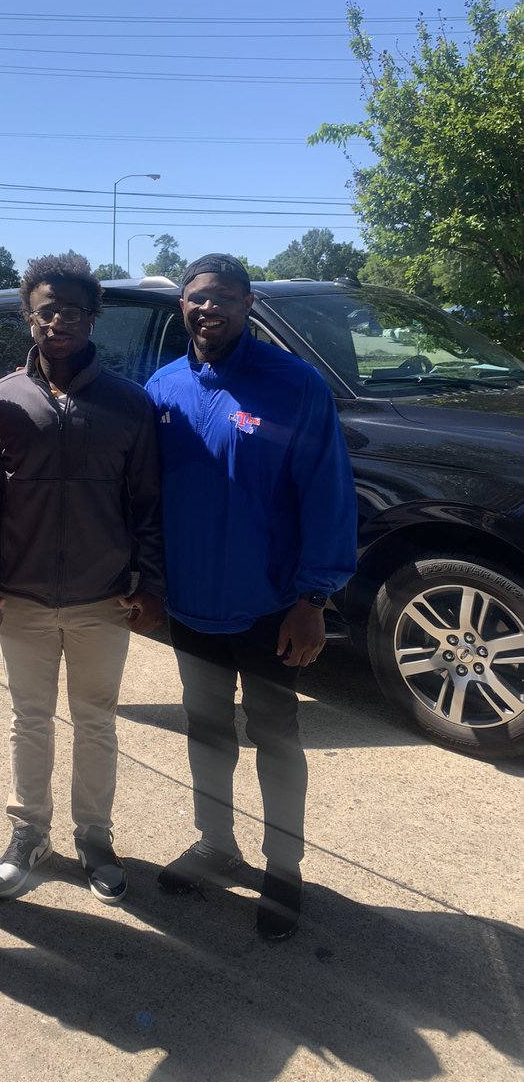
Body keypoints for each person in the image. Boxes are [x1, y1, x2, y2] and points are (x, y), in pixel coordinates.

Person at [145, 254, 356, 940]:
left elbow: (327, 495)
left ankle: (284, 869)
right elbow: (144, 499)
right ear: (183, 305)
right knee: (206, 733)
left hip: (271, 609)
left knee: (275, 738)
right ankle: (216, 845)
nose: (209, 309)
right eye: (197, 298)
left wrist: (313, 599)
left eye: (224, 298)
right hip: (190, 607)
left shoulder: (293, 386)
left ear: (248, 303)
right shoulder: (164, 387)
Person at [0, 253, 165, 906]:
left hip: (101, 600)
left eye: (74, 310)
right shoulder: (0, 401)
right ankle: (29, 835)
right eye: (47, 309)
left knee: (96, 721)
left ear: (93, 319)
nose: (60, 321)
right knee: (30, 720)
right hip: (21, 597)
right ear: (29, 316)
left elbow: (147, 504)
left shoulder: (129, 405)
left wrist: (151, 585)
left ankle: (94, 838)